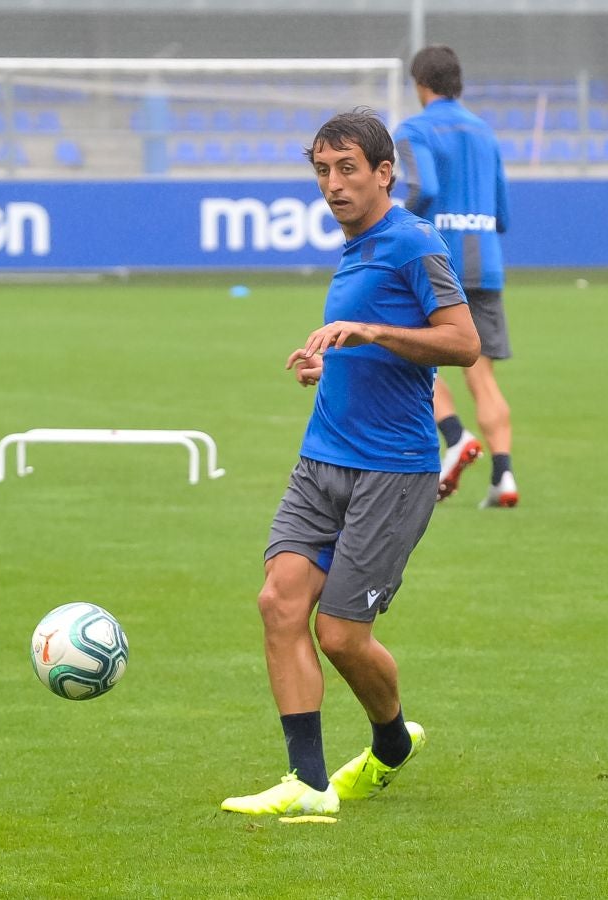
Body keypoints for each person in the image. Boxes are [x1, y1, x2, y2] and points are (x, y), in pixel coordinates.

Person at [221, 109, 480, 817]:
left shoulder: (413, 244)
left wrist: (371, 329)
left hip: (391, 472)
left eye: (346, 170)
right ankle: (306, 784)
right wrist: (326, 366)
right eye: (321, 170)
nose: (331, 185)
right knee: (278, 603)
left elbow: (460, 343)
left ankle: (391, 741)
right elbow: (374, 354)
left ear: (383, 173)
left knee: (339, 635)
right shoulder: (354, 246)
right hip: (321, 458)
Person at [394, 45, 519, 509]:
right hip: (486, 261)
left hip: (438, 263)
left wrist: (396, 227)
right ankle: (503, 476)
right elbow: (502, 211)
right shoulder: (486, 133)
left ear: (420, 84)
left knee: (409, 359)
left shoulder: (415, 129)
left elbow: (423, 187)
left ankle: (455, 436)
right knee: (481, 375)